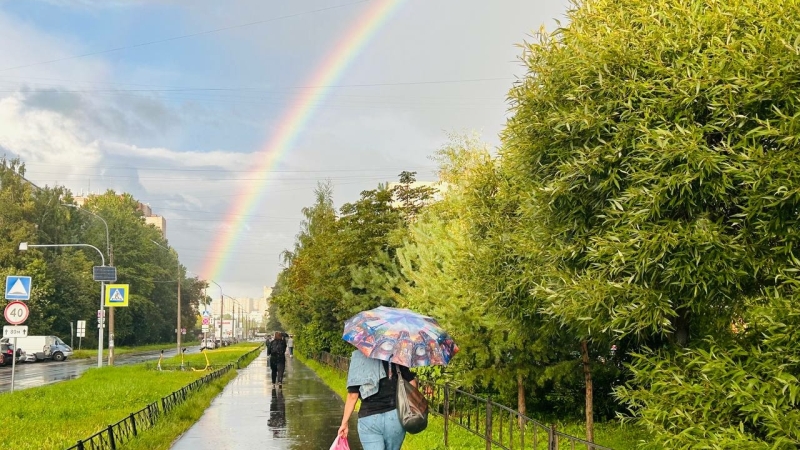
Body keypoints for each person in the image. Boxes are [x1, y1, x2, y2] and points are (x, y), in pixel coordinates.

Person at [338, 350, 416, 450]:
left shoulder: (359, 357)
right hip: (395, 417)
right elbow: (412, 384)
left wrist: (344, 423)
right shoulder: (395, 355)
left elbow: (353, 395)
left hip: (369, 419)